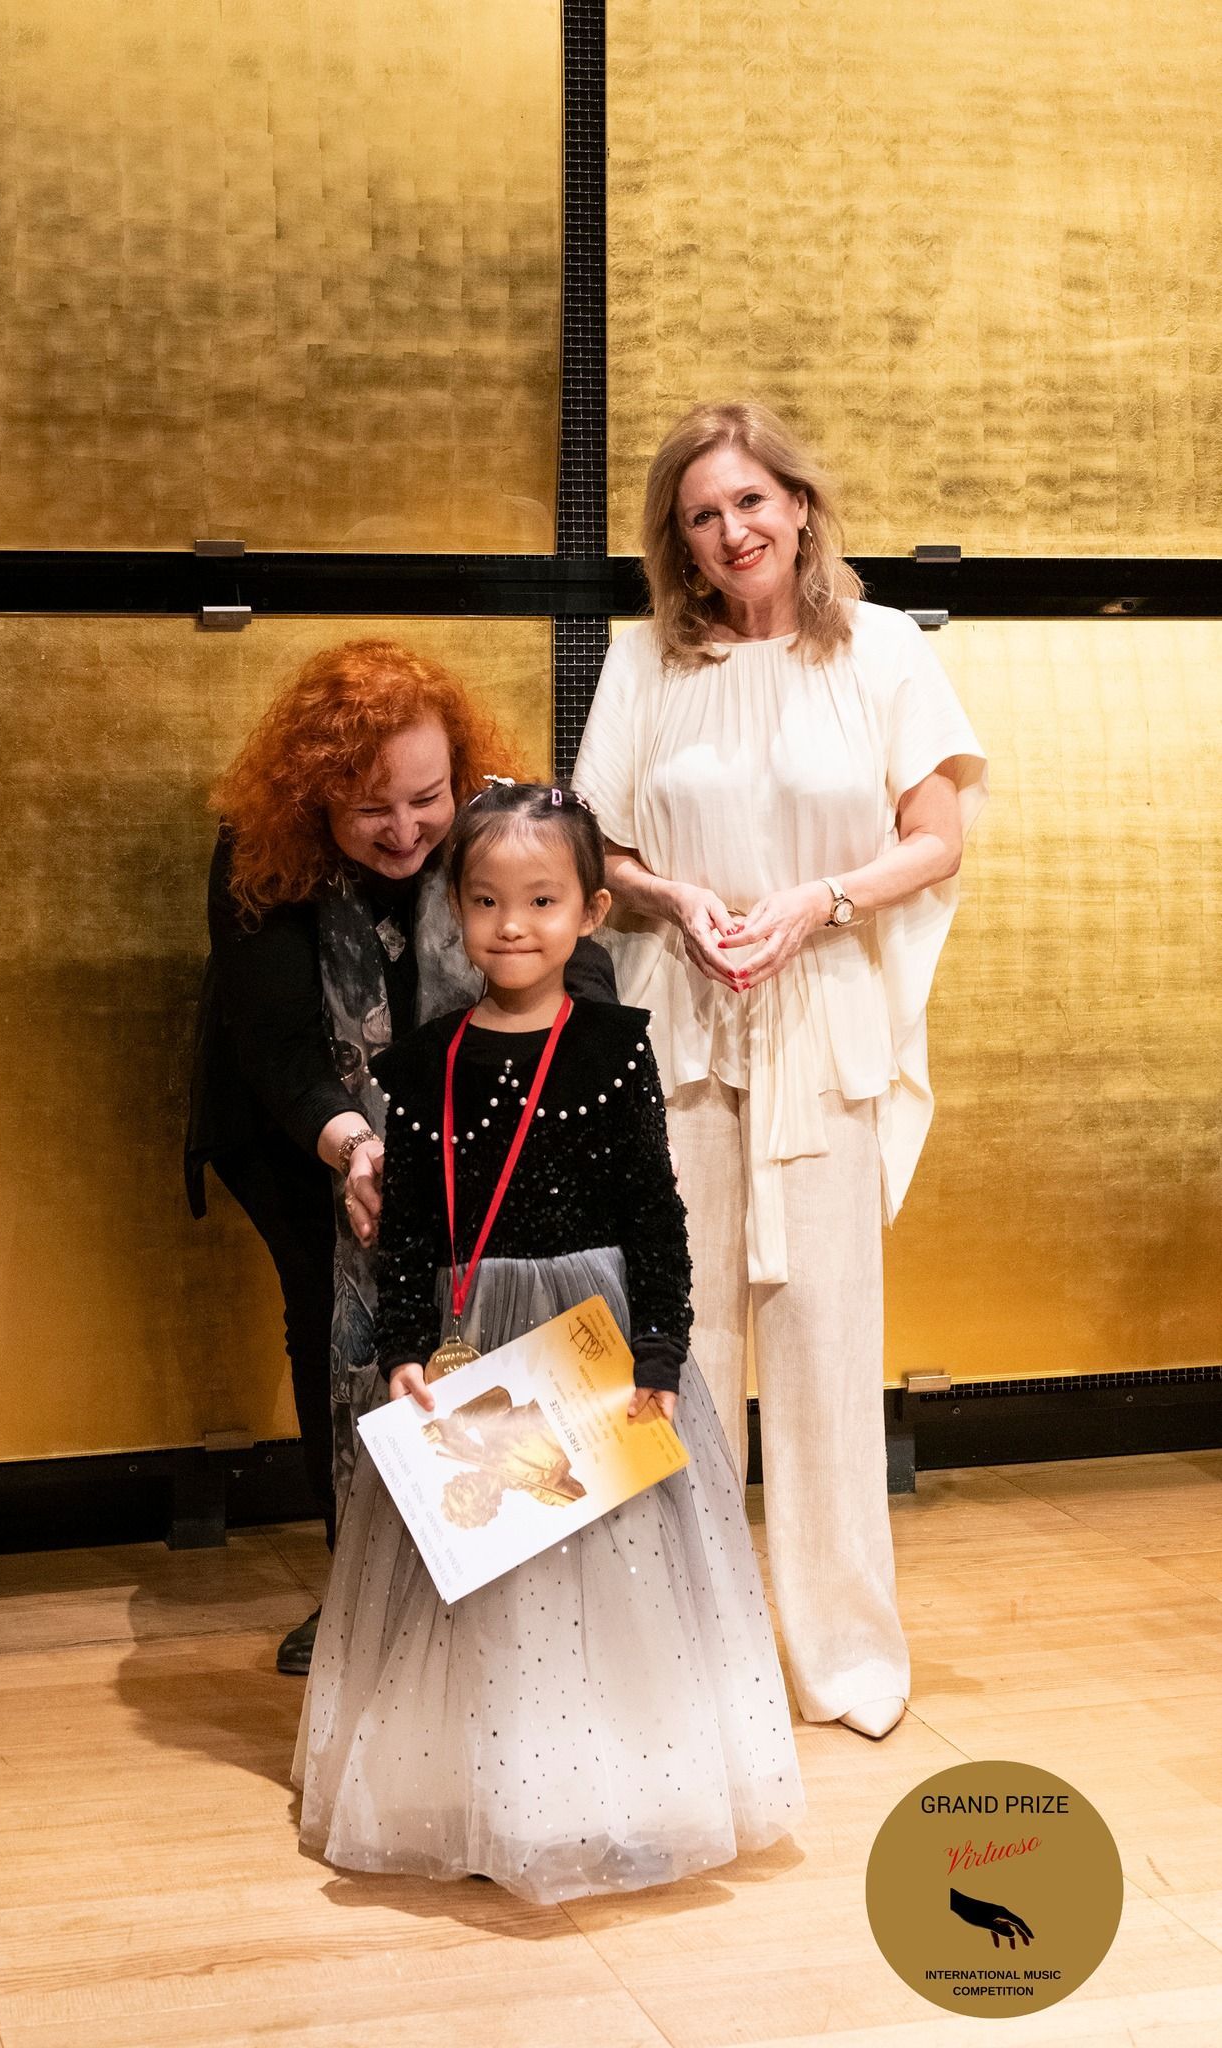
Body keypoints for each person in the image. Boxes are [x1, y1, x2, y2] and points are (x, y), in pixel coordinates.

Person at [293, 782, 804, 1904]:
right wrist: (404, 1342)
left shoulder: (614, 1047)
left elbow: (654, 1211)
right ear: (455, 909)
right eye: (484, 900)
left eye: (540, 900)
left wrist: (659, 1349)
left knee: (613, 1567)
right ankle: (485, 1795)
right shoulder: (424, 1062)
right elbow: (410, 1222)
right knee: (478, 1574)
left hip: (593, 1342)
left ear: (592, 911)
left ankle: (620, 1794)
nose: (511, 925)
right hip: (473, 1337)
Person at [572, 401, 988, 1743]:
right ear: (679, 541)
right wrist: (675, 900)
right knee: (677, 1342)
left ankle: (844, 1657)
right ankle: (684, 1660)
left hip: (825, 1022)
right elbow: (599, 849)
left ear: (800, 506)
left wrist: (821, 898)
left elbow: (936, 835)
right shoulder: (646, 660)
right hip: (683, 1017)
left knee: (824, 1348)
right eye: (702, 514)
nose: (731, 530)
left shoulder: (881, 648)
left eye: (751, 501)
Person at [185, 640, 616, 1674]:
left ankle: (490, 1565)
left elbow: (580, 964)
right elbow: (279, 1049)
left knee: (486, 1327)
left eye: (426, 798)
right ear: (315, 796)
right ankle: (362, 1585)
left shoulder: (503, 823)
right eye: (370, 808)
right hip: (304, 1139)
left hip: (480, 1127)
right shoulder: (259, 847)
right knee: (338, 1331)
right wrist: (359, 1151)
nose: (406, 828)